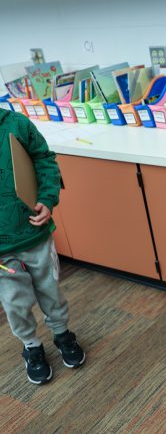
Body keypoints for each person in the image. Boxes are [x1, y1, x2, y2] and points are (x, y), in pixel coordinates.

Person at [0, 108, 85, 385]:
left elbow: (44, 159)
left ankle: (62, 333)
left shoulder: (15, 123)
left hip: (34, 232)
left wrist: (47, 199)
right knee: (14, 301)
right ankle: (31, 346)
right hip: (2, 249)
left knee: (49, 288)